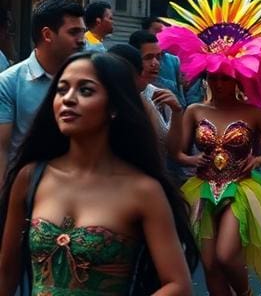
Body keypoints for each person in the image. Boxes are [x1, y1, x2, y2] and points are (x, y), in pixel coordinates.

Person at [0, 51, 197, 295]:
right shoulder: (31, 177)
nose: (68, 99)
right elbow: (6, 272)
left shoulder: (143, 190)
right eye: (61, 90)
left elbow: (178, 284)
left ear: (114, 107)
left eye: (85, 90)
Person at [159, 0, 261, 295]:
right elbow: (176, 151)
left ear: (237, 78)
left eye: (225, 77)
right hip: (202, 188)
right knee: (210, 265)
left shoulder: (253, 113)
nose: (219, 83)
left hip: (241, 189)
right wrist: (188, 157)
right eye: (213, 77)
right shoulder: (195, 110)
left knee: (226, 256)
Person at [0, 0, 85, 177]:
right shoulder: (8, 83)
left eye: (82, 32)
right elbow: (2, 150)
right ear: (47, 35)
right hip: (30, 190)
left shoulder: (91, 79)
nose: (82, 40)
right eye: (73, 32)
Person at [142, 16, 185, 105]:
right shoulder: (135, 56)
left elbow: (179, 91)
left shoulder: (174, 60)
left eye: (164, 32)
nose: (155, 63)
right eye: (157, 31)